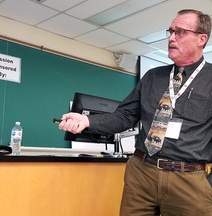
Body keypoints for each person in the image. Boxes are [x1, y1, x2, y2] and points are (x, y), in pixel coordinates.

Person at [58, 9, 212, 216]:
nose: (172, 38)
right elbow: (125, 116)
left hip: (188, 179)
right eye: (171, 31)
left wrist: (208, 186)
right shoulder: (152, 77)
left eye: (181, 32)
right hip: (142, 172)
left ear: (202, 39)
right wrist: (87, 121)